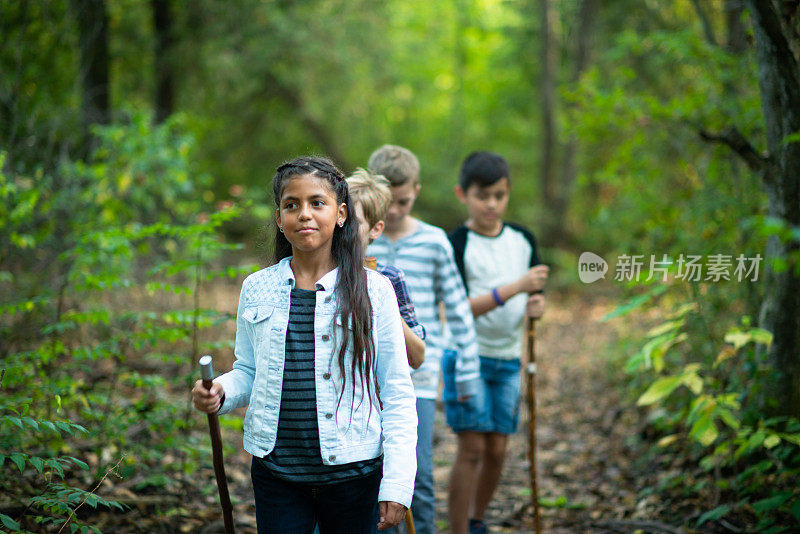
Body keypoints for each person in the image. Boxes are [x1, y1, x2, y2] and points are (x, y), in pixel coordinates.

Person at [191, 156, 417, 534]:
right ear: (279, 218)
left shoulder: (373, 290)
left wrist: (396, 483)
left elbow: (396, 390)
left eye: (317, 202)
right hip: (277, 473)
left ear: (341, 214)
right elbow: (249, 371)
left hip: (354, 475)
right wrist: (220, 392)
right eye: (291, 205)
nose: (304, 214)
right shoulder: (257, 287)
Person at [366, 145, 481, 534]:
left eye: (403, 201)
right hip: (368, 380)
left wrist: (465, 373)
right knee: (375, 477)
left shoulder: (434, 242)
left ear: (417, 189)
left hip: (420, 378)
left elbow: (458, 308)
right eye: (387, 202)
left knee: (419, 474)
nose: (395, 210)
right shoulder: (358, 242)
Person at [445, 151, 548, 534]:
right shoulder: (456, 243)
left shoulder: (522, 240)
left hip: (508, 358)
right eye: (482, 195)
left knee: (498, 449)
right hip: (466, 359)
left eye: (499, 195)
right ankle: (457, 529)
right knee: (471, 449)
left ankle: (476, 520)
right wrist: (515, 288)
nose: (491, 204)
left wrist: (537, 305)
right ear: (463, 194)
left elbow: (536, 294)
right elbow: (457, 308)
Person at [346, 167, 426, 370]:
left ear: (376, 229)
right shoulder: (319, 274)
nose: (344, 229)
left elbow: (417, 356)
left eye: (355, 222)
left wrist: (382, 299)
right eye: (340, 219)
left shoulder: (389, 278)